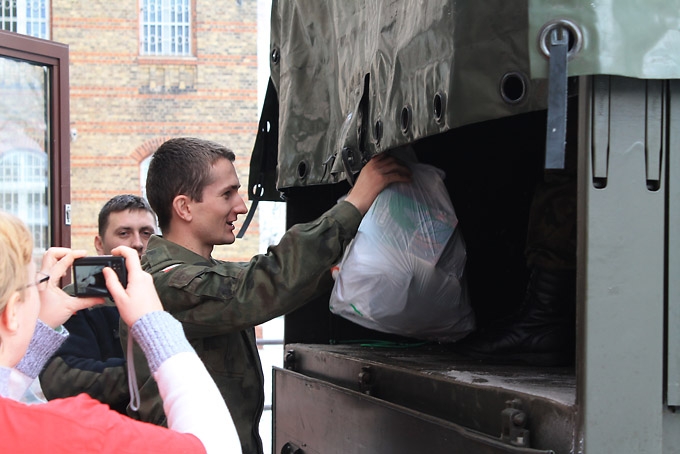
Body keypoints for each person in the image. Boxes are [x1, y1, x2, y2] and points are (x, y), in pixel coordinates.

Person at [121, 137, 412, 454]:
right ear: (184, 207)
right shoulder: (164, 283)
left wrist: (327, 276)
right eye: (227, 194)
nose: (240, 206)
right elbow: (252, 287)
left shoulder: (193, 273)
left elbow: (252, 284)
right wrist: (353, 205)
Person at [0, 210, 240, 452]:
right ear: (11, 313)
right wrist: (154, 323)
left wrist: (34, 332)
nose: (137, 242)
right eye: (37, 282)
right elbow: (216, 447)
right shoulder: (78, 431)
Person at [39, 195, 157, 413]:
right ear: (99, 244)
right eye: (124, 233)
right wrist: (156, 372)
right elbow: (62, 381)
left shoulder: (170, 293)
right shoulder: (74, 300)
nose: (138, 243)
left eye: (146, 233)